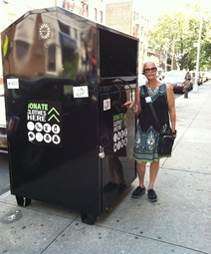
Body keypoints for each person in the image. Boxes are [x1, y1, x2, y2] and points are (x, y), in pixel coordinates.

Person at [124, 62, 176, 202]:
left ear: (156, 71)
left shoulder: (167, 88)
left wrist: (173, 127)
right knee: (140, 160)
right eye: (147, 69)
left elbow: (171, 109)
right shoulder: (140, 90)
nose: (151, 71)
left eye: (153, 69)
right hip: (144, 130)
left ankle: (151, 187)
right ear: (144, 73)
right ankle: (141, 185)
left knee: (155, 159)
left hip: (160, 129)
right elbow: (138, 111)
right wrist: (132, 107)